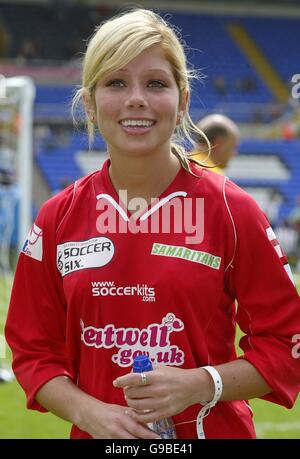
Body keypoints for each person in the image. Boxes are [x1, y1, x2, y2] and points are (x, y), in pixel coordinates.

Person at [5, 8, 300, 440]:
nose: (136, 98)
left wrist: (202, 383)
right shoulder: (57, 218)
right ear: (89, 103)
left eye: (156, 83)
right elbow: (32, 352)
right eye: (116, 82)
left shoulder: (230, 210)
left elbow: (287, 344)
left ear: (182, 101)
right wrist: (89, 413)